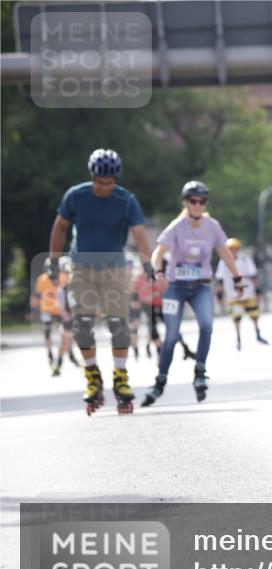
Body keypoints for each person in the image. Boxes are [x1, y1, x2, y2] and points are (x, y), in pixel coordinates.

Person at [48, 148, 154, 414]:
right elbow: (60, 226)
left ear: (115, 179)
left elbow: (139, 233)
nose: (105, 187)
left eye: (109, 182)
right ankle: (93, 376)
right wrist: (52, 260)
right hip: (81, 268)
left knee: (118, 324)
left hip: (115, 269)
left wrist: (148, 264)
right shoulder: (76, 196)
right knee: (82, 325)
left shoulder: (126, 200)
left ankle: (120, 376)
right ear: (92, 177)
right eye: (100, 182)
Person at [142, 181, 243, 406]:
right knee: (170, 335)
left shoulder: (212, 226)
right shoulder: (177, 226)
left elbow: (225, 254)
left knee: (207, 325)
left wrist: (237, 277)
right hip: (175, 288)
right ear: (186, 203)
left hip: (200, 286)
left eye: (202, 201)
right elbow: (158, 253)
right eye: (193, 201)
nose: (197, 205)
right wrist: (158, 272)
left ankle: (199, 371)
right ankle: (160, 381)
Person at [214, 237, 268, 350]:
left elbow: (253, 275)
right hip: (233, 294)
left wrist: (257, 291)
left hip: (248, 293)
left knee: (254, 315)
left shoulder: (244, 260)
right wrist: (219, 294)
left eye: (235, 249)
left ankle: (258, 334)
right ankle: (238, 339)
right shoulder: (224, 262)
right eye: (231, 249)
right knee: (236, 318)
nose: (233, 251)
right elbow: (219, 279)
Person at [31, 256, 78, 375]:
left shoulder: (68, 279)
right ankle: (52, 355)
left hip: (64, 311)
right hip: (49, 310)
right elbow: (38, 294)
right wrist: (31, 310)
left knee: (68, 335)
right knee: (49, 333)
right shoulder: (43, 279)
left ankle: (66, 356)